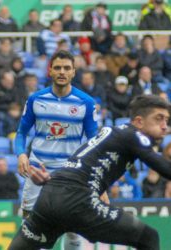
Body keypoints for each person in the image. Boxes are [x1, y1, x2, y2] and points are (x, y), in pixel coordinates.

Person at [9, 94, 171, 250]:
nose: (165, 126)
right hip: (79, 200)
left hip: (50, 194)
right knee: (149, 237)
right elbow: (164, 168)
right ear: (139, 122)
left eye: (166, 120)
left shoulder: (113, 132)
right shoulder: (135, 135)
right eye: (158, 118)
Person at [15, 50, 99, 250]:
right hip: (37, 168)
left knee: (72, 229)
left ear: (73, 72)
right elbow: (21, 133)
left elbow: (95, 141)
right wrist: (21, 154)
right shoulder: (36, 99)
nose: (62, 72)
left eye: (67, 68)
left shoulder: (86, 103)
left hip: (69, 171)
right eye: (58, 68)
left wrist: (96, 178)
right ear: (50, 71)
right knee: (29, 226)